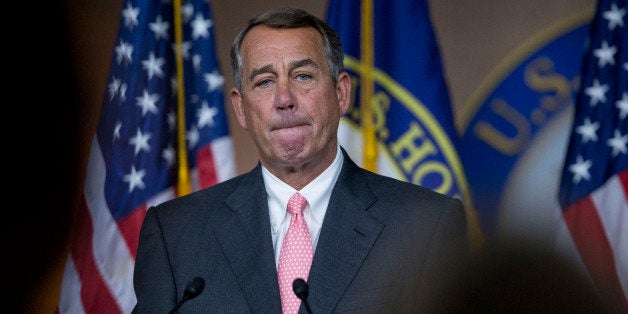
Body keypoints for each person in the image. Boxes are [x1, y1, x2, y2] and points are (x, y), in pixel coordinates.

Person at [132, 7, 468, 313]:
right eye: (264, 82)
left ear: (341, 94)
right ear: (241, 108)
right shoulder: (176, 234)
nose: (284, 99)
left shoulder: (426, 225)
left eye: (303, 76)